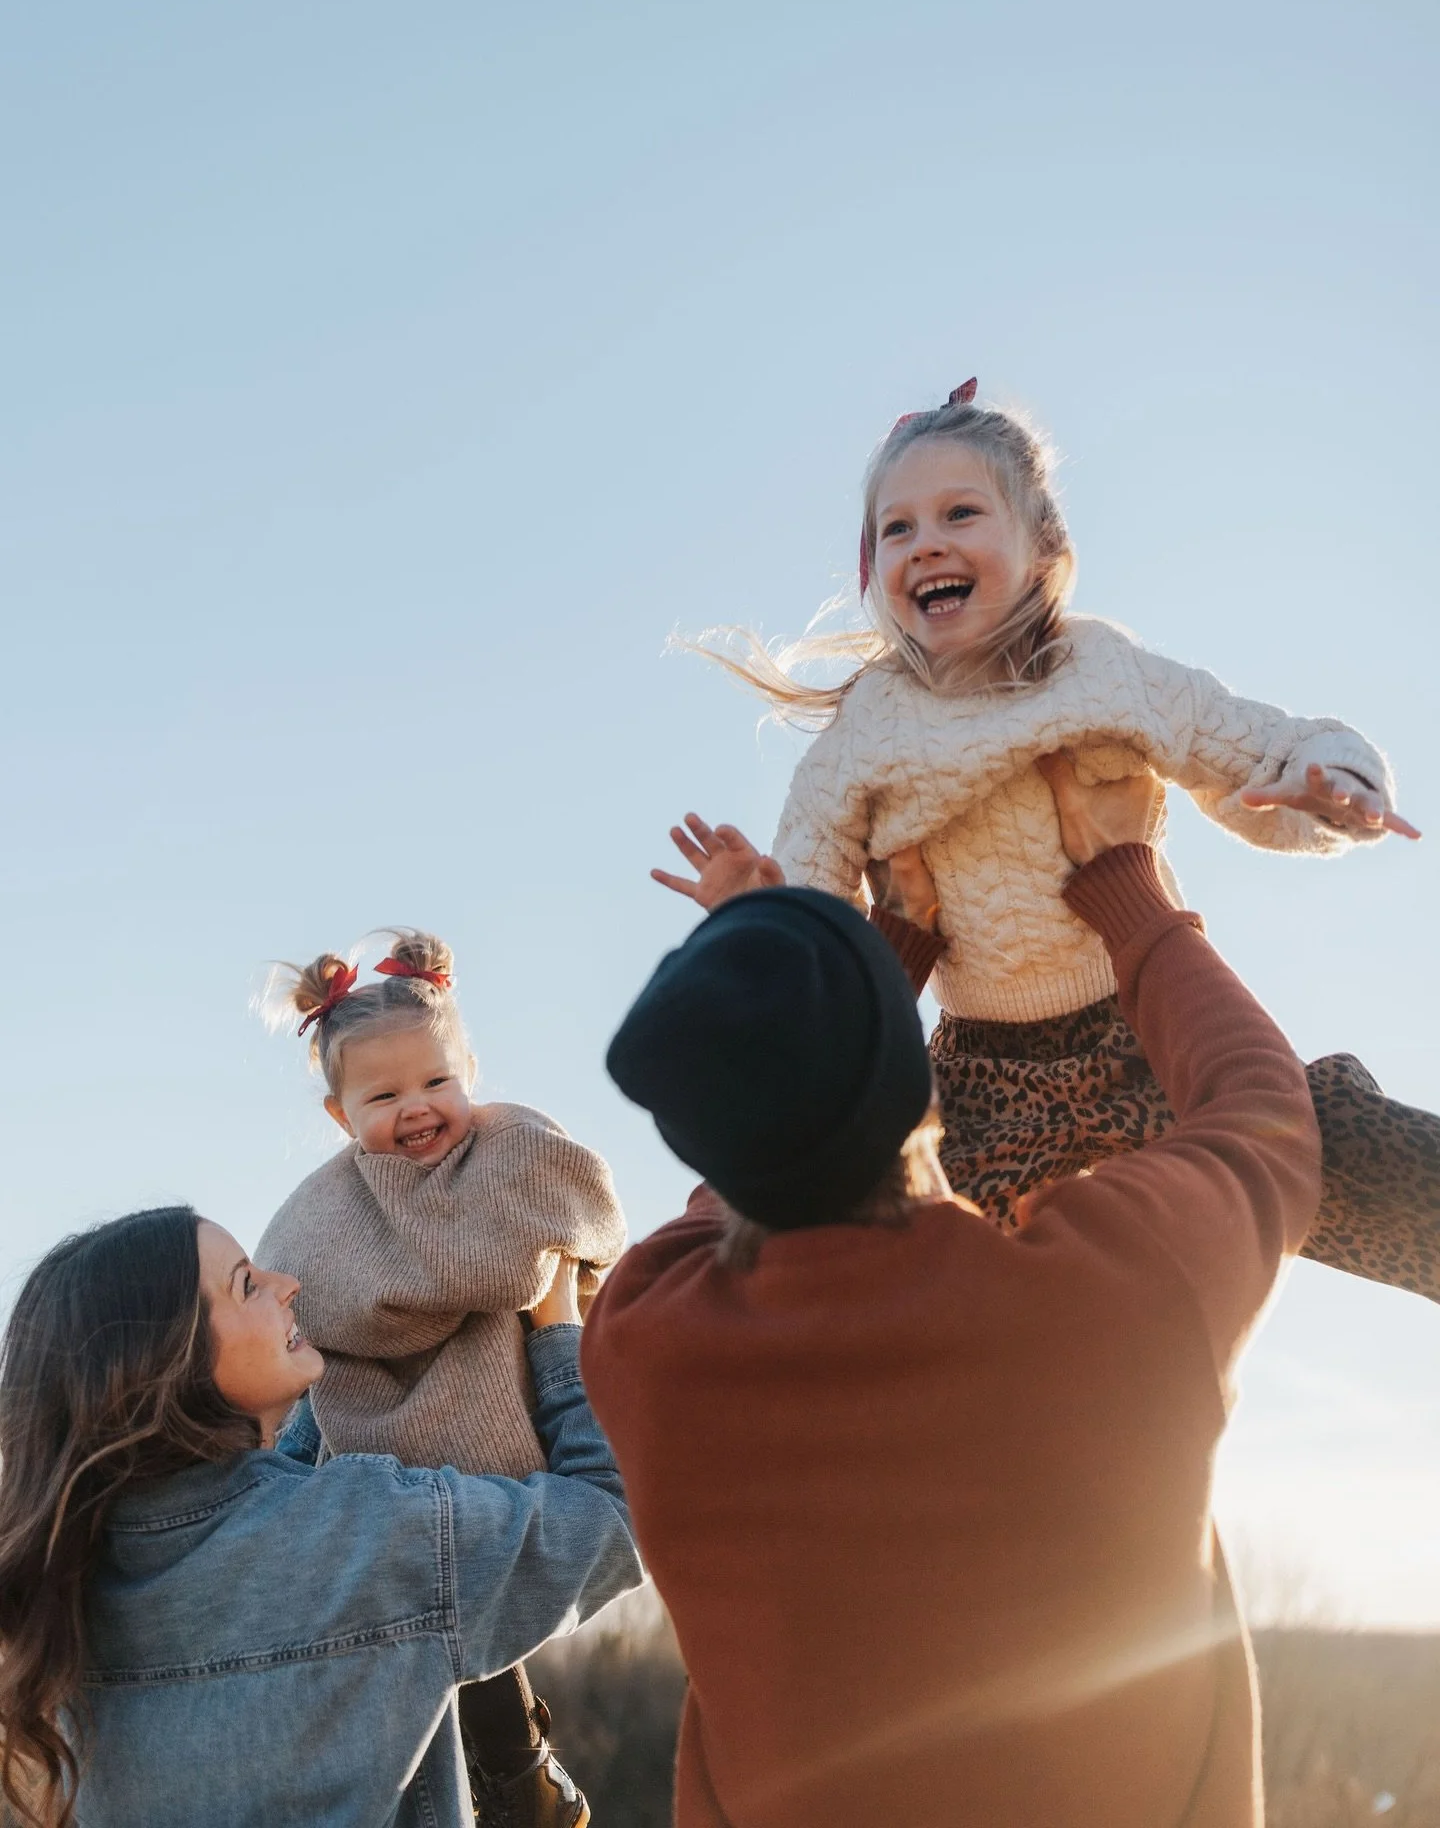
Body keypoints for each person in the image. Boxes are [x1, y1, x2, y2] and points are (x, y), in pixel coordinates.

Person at [583, 760, 1320, 1827]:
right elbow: (1264, 1114)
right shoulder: (1110, 1297)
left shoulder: (643, 1340)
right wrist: (1130, 889)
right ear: (920, 1077)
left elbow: (746, 1152)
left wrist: (820, 966)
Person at [693, 378, 1440, 1300]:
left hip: (1147, 1026)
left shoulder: (1106, 673)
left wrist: (1331, 784)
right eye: (897, 529)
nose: (926, 541)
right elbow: (815, 937)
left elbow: (1257, 745)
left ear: (1042, 548)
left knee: (1353, 1153)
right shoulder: (862, 738)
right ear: (874, 573)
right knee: (873, 1274)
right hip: (979, 1075)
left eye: (960, 513)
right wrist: (752, 915)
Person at [0, 1207, 640, 1828]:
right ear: (167, 1357)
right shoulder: (372, 1533)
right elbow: (612, 1516)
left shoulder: (54, 1594)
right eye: (247, 1284)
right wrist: (559, 1329)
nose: (288, 1285)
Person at [254, 927, 628, 1822]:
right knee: (408, 1590)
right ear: (343, 1117)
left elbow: (583, 1222)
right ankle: (503, 1770)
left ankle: (511, 1765)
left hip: (512, 1395)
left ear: (470, 1074)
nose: (417, 1108)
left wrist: (554, 1291)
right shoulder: (327, 1216)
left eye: (437, 1082)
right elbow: (307, 1302)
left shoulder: (514, 1152)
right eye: (383, 1095)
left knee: (464, 1589)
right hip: (372, 1428)